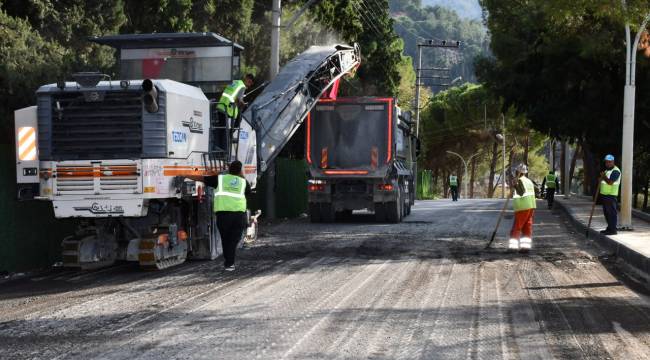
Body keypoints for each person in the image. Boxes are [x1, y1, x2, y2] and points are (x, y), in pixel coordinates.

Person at [193, 161, 251, 271]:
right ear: (240, 170)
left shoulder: (220, 179)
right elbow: (248, 192)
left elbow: (202, 178)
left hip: (223, 215)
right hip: (239, 216)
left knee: (225, 239)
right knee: (234, 240)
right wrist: (241, 175)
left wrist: (184, 175)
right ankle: (229, 263)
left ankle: (229, 263)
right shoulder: (243, 182)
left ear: (229, 169)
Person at [509, 164, 537, 253]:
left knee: (516, 227)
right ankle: (525, 248)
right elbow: (537, 191)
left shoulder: (519, 181)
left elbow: (521, 193)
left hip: (522, 207)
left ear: (518, 172)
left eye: (516, 171)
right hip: (531, 206)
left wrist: (515, 185)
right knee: (526, 227)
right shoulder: (529, 181)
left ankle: (513, 248)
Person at [600, 154, 621, 235]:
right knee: (607, 213)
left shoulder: (616, 171)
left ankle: (613, 230)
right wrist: (601, 178)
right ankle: (609, 228)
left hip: (611, 195)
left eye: (609, 162)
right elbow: (602, 180)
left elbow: (610, 182)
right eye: (606, 162)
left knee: (611, 213)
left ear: (613, 162)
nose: (607, 164)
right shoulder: (606, 170)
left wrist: (603, 177)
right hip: (605, 195)